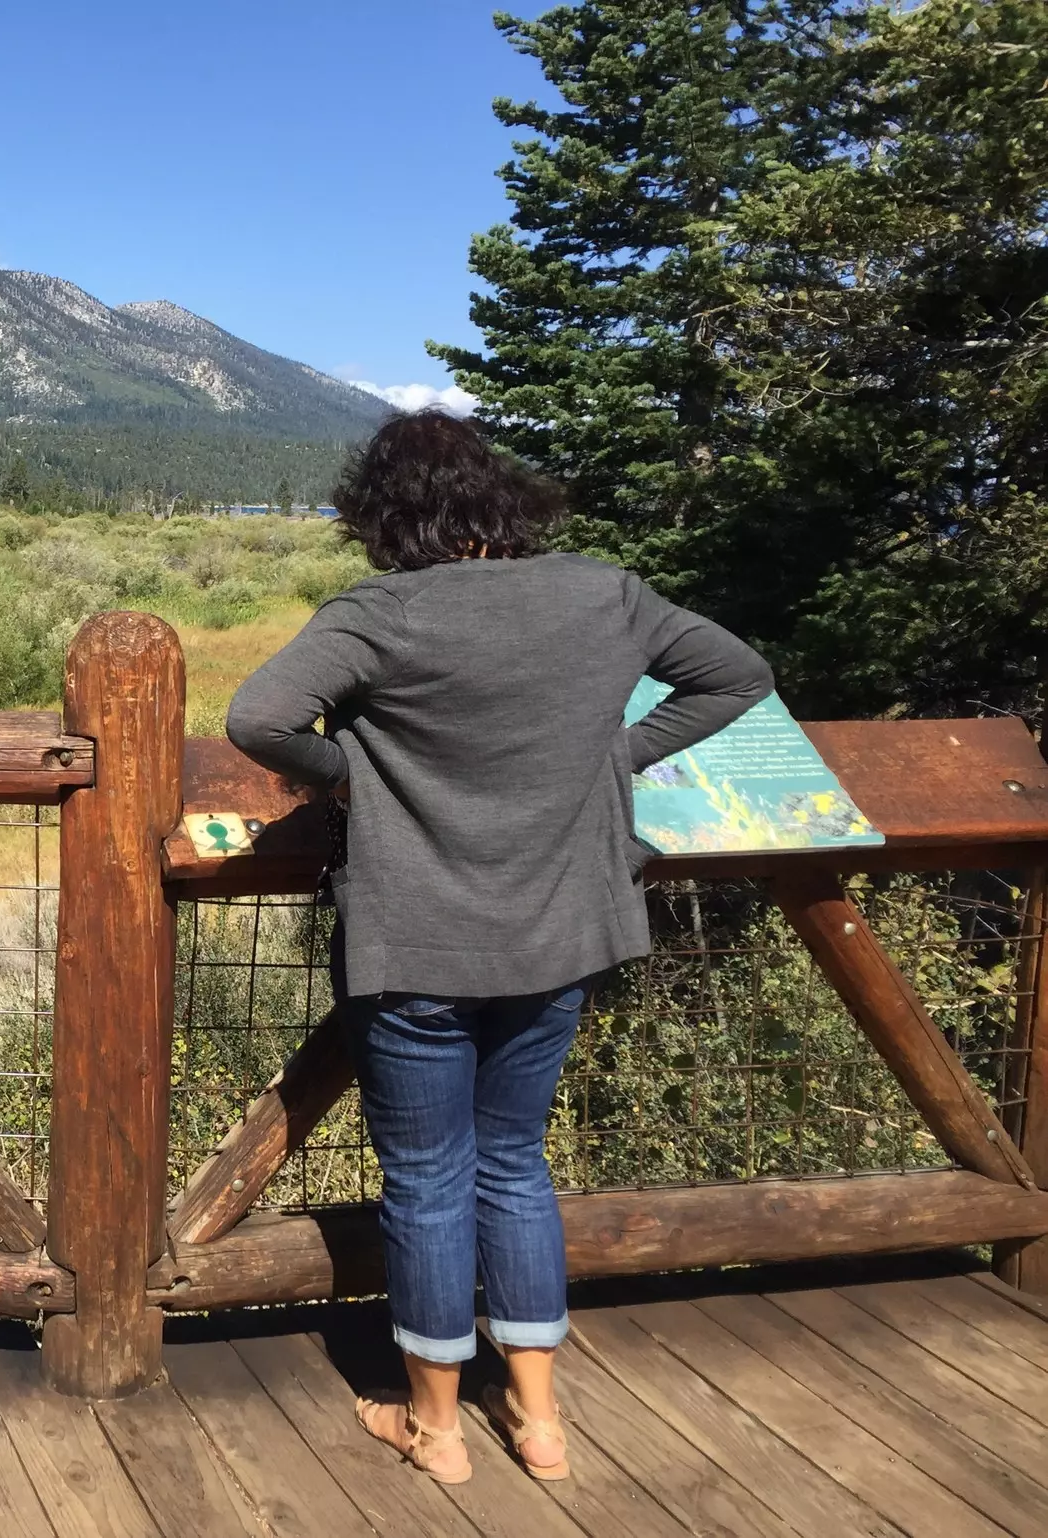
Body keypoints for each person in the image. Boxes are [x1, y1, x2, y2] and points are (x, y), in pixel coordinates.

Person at [226, 410, 771, 1484]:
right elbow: (737, 674)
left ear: (381, 516)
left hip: (417, 944)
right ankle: (540, 1418)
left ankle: (435, 1429)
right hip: (561, 933)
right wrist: (614, 756)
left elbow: (258, 717)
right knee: (515, 1162)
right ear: (502, 497)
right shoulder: (603, 592)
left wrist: (355, 777)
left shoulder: (380, 613)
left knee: (427, 1179)